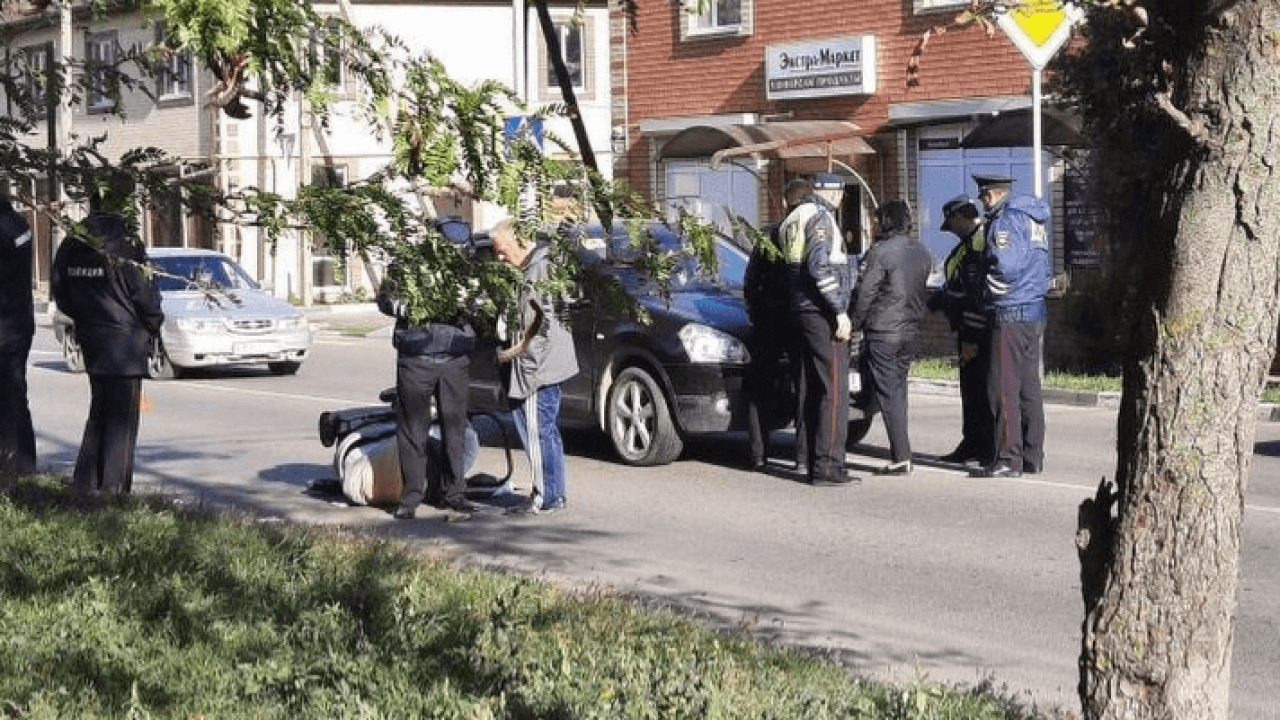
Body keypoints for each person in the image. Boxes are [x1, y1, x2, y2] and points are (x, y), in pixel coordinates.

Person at [52, 172, 164, 495]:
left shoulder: (75, 240)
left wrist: (85, 319)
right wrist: (154, 323)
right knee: (121, 426)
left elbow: (60, 289)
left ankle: (85, 486)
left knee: (99, 414)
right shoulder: (126, 242)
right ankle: (113, 493)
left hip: (93, 341)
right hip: (125, 345)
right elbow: (144, 293)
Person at [377, 241, 479, 520]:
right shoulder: (406, 265)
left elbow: (484, 304)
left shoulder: (467, 269)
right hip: (416, 359)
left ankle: (454, 493)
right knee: (412, 430)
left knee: (455, 428)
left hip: (454, 359)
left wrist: (468, 303)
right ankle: (411, 497)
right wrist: (406, 307)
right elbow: (385, 300)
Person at [490, 219, 579, 515]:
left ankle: (544, 496)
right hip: (544, 366)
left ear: (520, 241)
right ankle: (555, 493)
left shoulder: (538, 270)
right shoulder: (538, 266)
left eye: (503, 251)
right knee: (546, 431)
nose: (500, 258)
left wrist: (526, 372)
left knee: (537, 433)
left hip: (536, 371)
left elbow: (540, 327)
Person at [969, 173, 1051, 478]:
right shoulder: (1034, 217)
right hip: (1034, 310)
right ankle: (1032, 454)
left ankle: (1008, 457)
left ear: (990, 195)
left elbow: (1006, 267)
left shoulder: (1006, 220)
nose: (983, 204)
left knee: (1002, 387)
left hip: (1010, 311)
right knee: (1029, 387)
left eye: (983, 199)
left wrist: (989, 292)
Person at [779, 173, 856, 486]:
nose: (840, 199)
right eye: (839, 192)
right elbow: (818, 266)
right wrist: (839, 311)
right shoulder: (820, 217)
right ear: (830, 193)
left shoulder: (794, 217)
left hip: (799, 310)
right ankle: (828, 466)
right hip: (820, 312)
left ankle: (812, 460)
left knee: (811, 389)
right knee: (834, 391)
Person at [849, 199, 933, 476]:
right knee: (899, 390)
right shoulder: (921, 251)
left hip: (884, 331)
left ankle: (901, 456)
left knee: (889, 393)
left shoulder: (880, 252)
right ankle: (902, 450)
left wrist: (852, 325)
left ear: (885, 221)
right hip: (911, 330)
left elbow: (865, 294)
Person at [935, 195, 994, 466]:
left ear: (960, 218)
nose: (952, 229)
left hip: (977, 332)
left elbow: (975, 297)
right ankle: (970, 443)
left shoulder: (979, 243)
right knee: (970, 390)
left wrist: (971, 336)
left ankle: (983, 447)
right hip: (967, 328)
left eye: (952, 223)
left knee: (979, 391)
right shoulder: (969, 243)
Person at [742, 225, 796, 471]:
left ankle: (758, 454)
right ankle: (804, 457)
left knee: (759, 388)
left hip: (768, 319)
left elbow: (751, 280)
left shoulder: (770, 233)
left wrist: (756, 310)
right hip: (798, 320)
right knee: (803, 387)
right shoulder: (806, 228)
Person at [0, 197, 36, 476]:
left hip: (7, 324)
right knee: (15, 395)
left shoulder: (5, 230)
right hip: (18, 323)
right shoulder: (19, 224)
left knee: (11, 396)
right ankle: (21, 463)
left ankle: (14, 464)